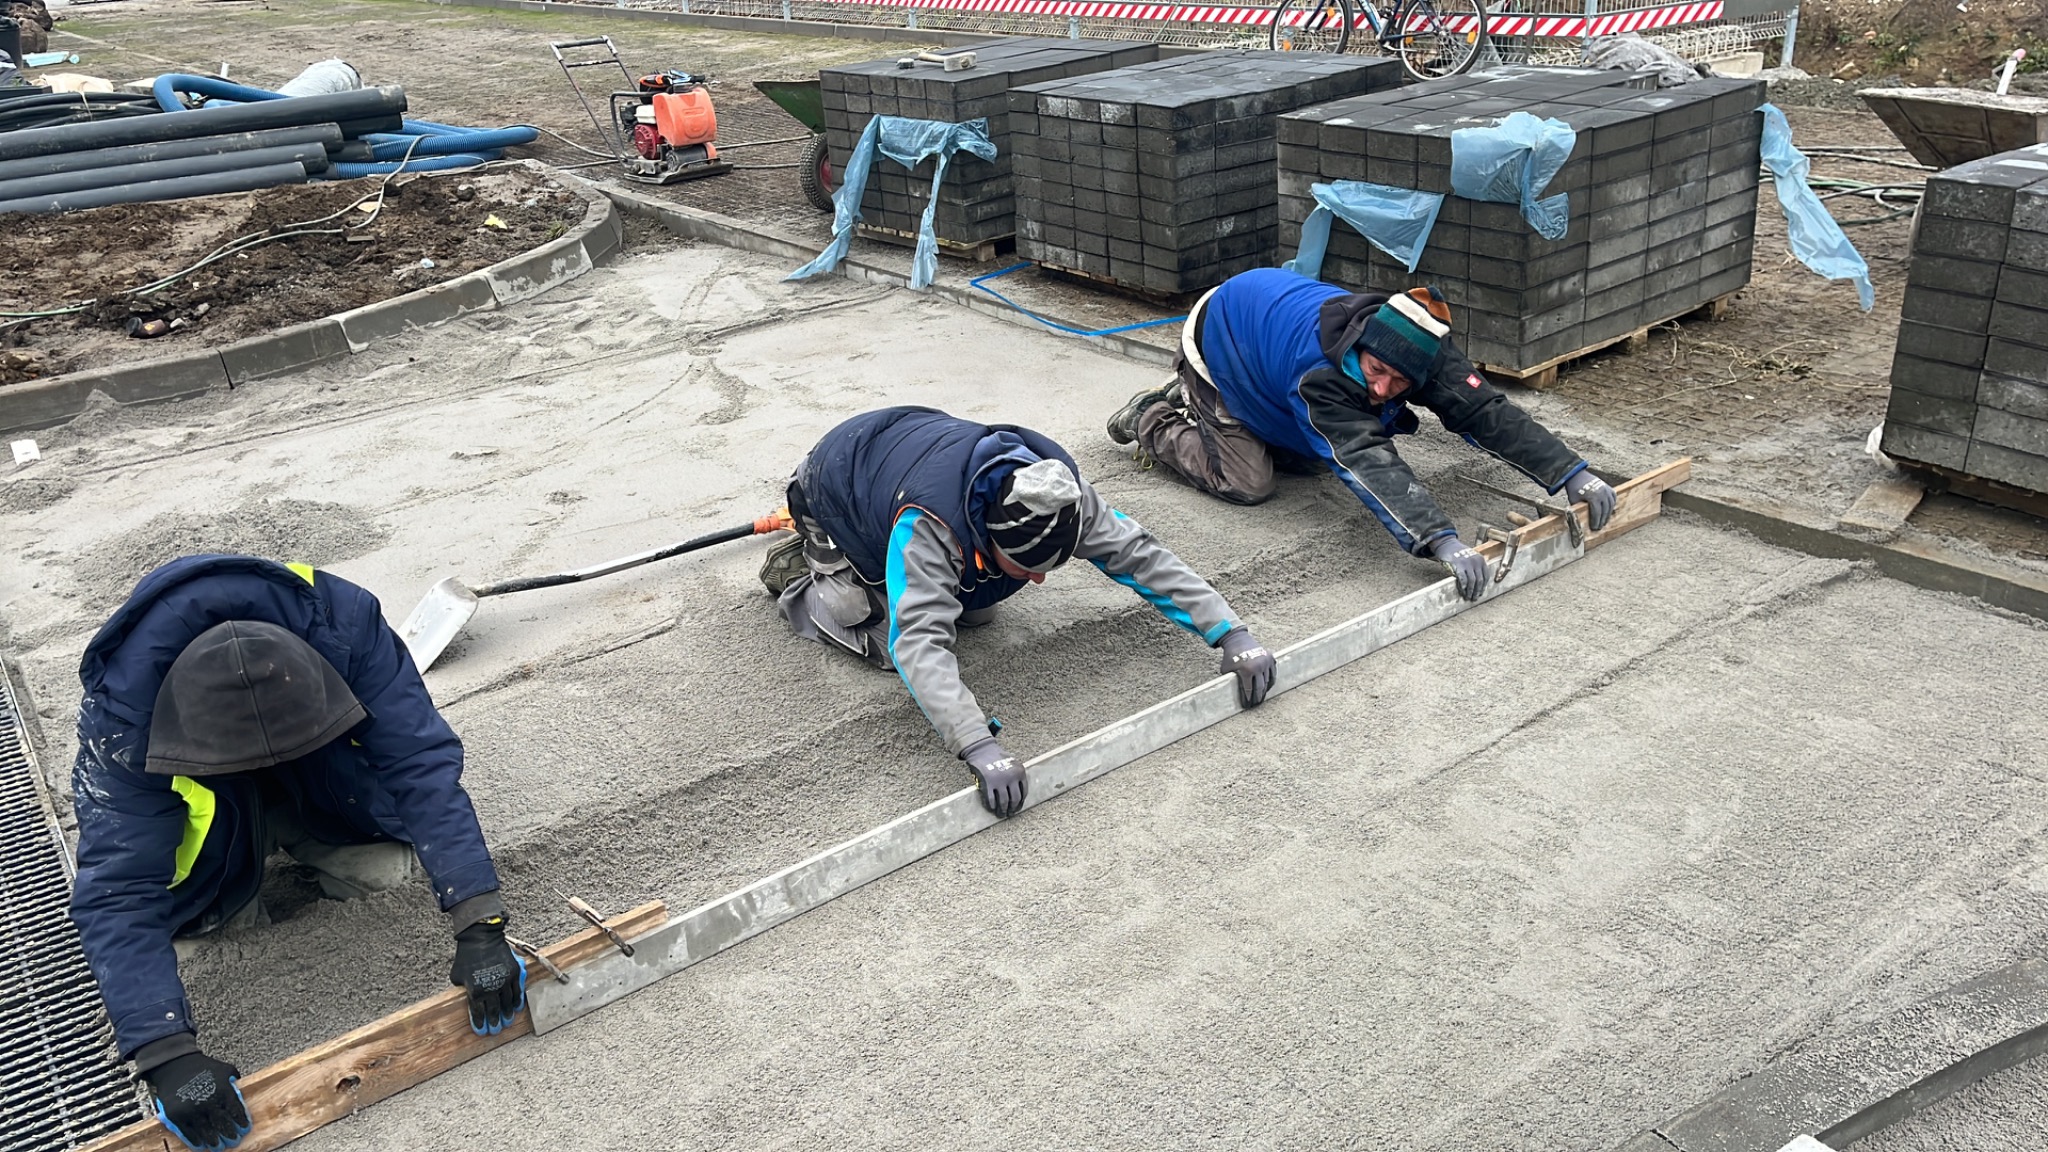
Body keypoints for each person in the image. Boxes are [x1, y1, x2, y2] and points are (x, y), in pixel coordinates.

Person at [68, 555, 526, 1152]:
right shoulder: (125, 714)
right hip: (214, 810)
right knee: (202, 941)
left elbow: (419, 765)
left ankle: (315, 827)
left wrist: (478, 916)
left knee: (394, 874)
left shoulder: (346, 627)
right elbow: (117, 890)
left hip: (320, 769)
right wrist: (162, 1049)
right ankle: (234, 873)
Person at [760, 405, 1277, 817]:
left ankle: (948, 577)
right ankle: (801, 573)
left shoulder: (1058, 493)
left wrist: (1230, 632)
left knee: (977, 610)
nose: (1039, 581)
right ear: (986, 533)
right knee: (886, 641)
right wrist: (976, 745)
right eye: (1027, 566)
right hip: (839, 487)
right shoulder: (928, 526)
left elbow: (1140, 554)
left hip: (903, 454)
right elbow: (919, 641)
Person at [1106, 267, 1618, 602]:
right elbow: (1363, 453)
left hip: (1267, 339)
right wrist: (1438, 538)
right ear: (1362, 342)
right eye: (1375, 369)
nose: (1381, 387)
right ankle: (1154, 415)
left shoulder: (1420, 344)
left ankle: (1236, 418)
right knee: (1249, 483)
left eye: (1399, 382)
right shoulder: (1318, 374)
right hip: (1222, 340)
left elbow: (1485, 410)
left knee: (1313, 456)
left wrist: (1570, 473)